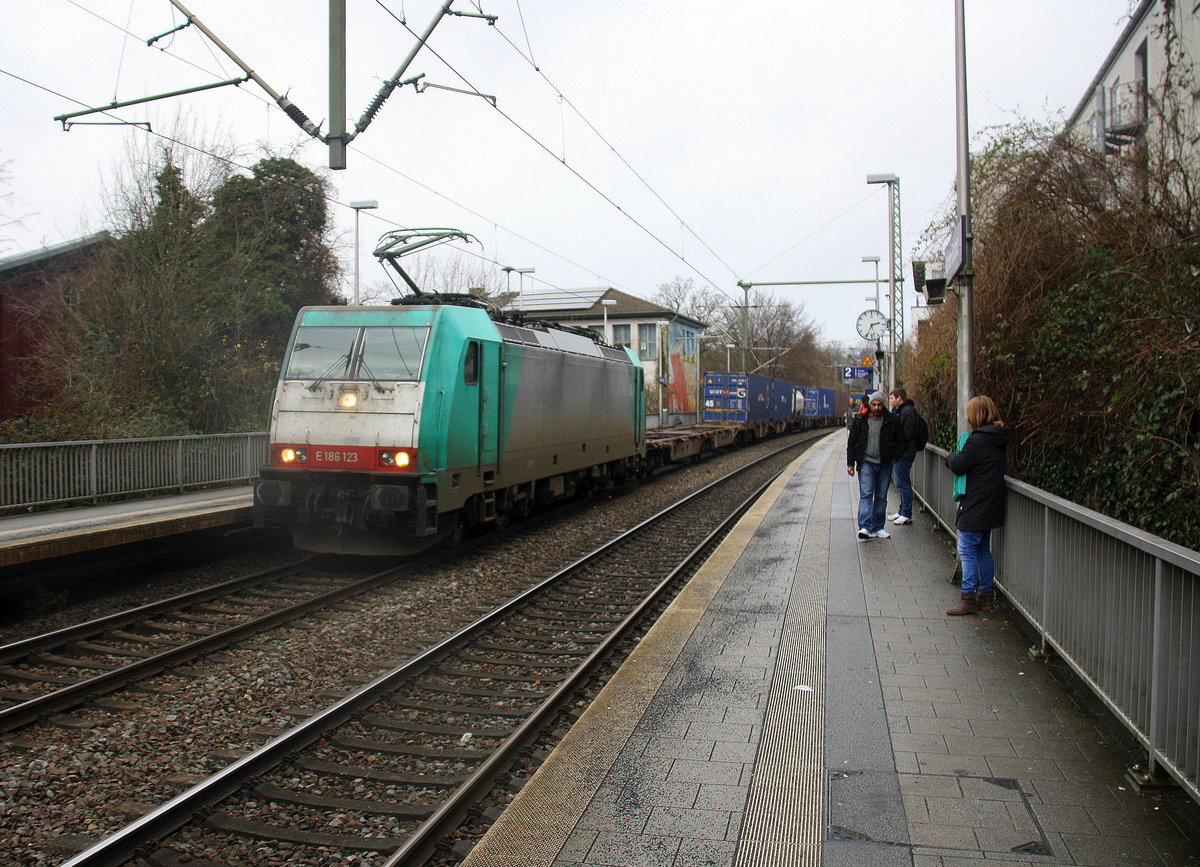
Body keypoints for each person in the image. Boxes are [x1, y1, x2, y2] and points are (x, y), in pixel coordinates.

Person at [944, 395, 1013, 615]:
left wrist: (950, 457)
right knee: (983, 549)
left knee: (967, 549)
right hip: (992, 502)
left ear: (976, 415)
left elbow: (959, 464)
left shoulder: (978, 440)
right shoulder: (998, 439)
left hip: (976, 503)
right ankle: (986, 597)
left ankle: (968, 598)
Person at [846, 390, 906, 540]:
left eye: (880, 405)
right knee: (866, 494)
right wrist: (850, 463)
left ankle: (878, 526)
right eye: (874, 404)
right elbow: (852, 443)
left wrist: (895, 457)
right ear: (870, 405)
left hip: (885, 463)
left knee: (881, 496)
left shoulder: (892, 420)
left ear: (883, 405)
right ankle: (865, 527)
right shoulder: (860, 420)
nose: (877, 407)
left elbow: (902, 441)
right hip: (866, 462)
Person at [887, 388, 920, 525]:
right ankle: (902, 511)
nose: (890, 401)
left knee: (903, 483)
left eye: (892, 398)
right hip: (900, 453)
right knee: (900, 482)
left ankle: (906, 513)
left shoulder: (908, 412)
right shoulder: (900, 411)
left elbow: (905, 435)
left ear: (899, 398)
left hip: (904, 453)